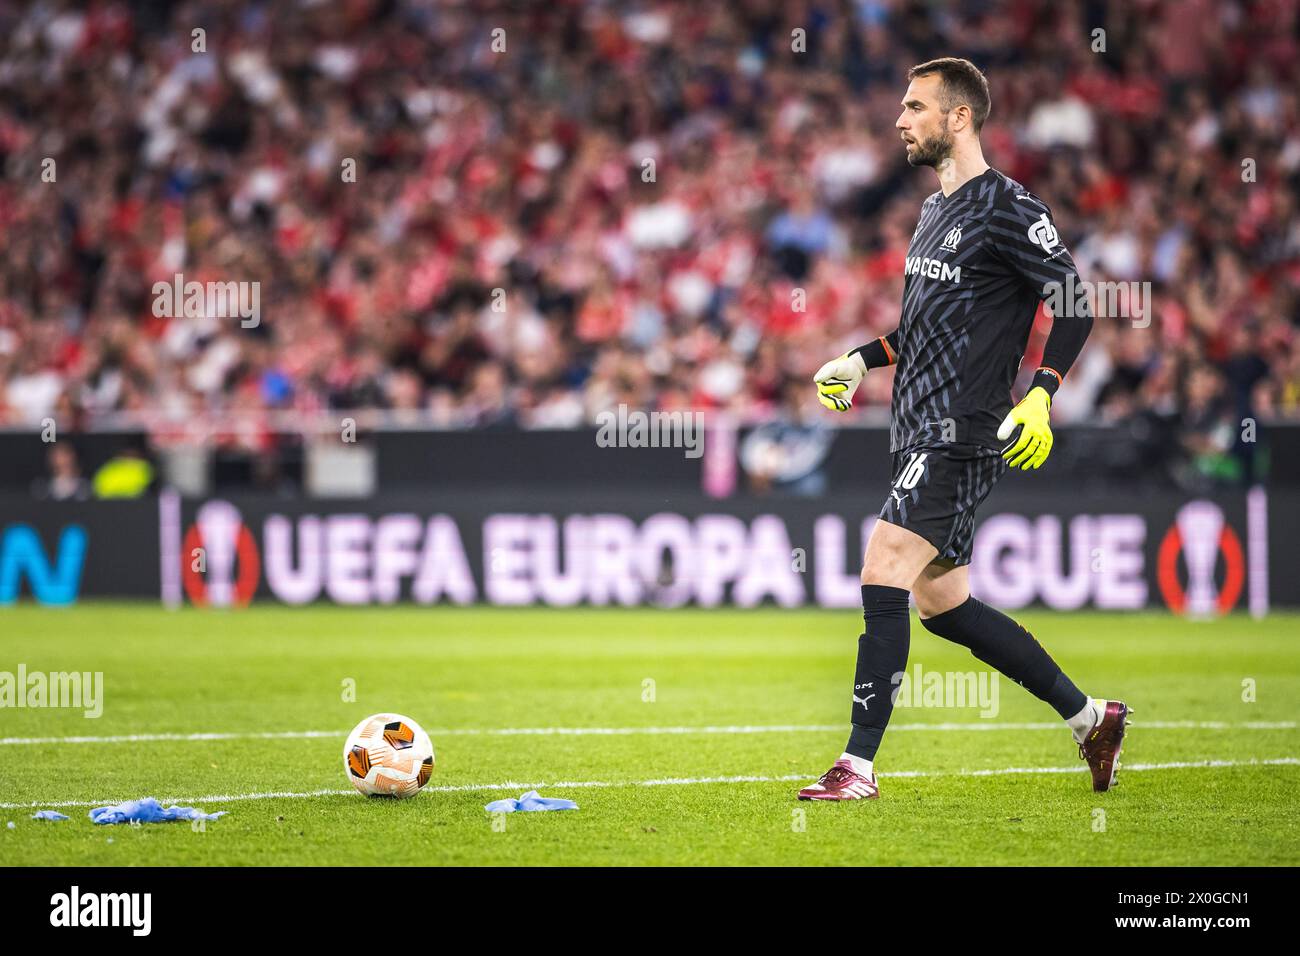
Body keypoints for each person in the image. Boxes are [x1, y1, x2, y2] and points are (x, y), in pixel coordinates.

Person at [801, 58, 1129, 801]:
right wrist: (859, 360)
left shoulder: (1008, 208)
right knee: (942, 606)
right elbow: (926, 329)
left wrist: (1042, 392)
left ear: (959, 119)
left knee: (882, 566)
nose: (899, 120)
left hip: (959, 430)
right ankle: (1091, 718)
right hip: (914, 428)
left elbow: (1074, 303)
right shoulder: (931, 212)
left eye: (915, 107)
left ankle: (856, 767)